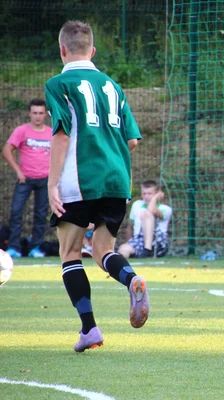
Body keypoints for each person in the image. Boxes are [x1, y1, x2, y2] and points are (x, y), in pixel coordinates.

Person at [45, 20, 149, 353]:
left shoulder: (59, 84)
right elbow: (132, 140)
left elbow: (61, 136)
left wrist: (52, 184)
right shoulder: (112, 85)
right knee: (103, 250)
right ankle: (132, 279)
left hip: (80, 179)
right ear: (92, 51)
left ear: (62, 50)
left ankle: (89, 329)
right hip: (118, 179)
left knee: (70, 253)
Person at [2, 99, 52, 258]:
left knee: (41, 214)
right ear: (29, 113)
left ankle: (35, 247)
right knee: (16, 212)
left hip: (45, 179)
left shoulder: (51, 133)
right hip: (25, 179)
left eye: (41, 113)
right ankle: (14, 247)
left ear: (45, 114)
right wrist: (18, 171)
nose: (37, 116)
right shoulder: (21, 131)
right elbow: (7, 150)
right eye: (35, 113)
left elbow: (61, 154)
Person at [118, 180, 172, 258]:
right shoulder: (137, 205)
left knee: (147, 214)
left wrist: (156, 198)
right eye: (144, 193)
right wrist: (128, 242)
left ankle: (147, 249)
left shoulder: (166, 209)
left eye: (149, 193)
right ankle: (136, 255)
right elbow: (130, 226)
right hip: (139, 241)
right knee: (123, 249)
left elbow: (151, 210)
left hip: (157, 242)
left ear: (157, 193)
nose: (146, 196)